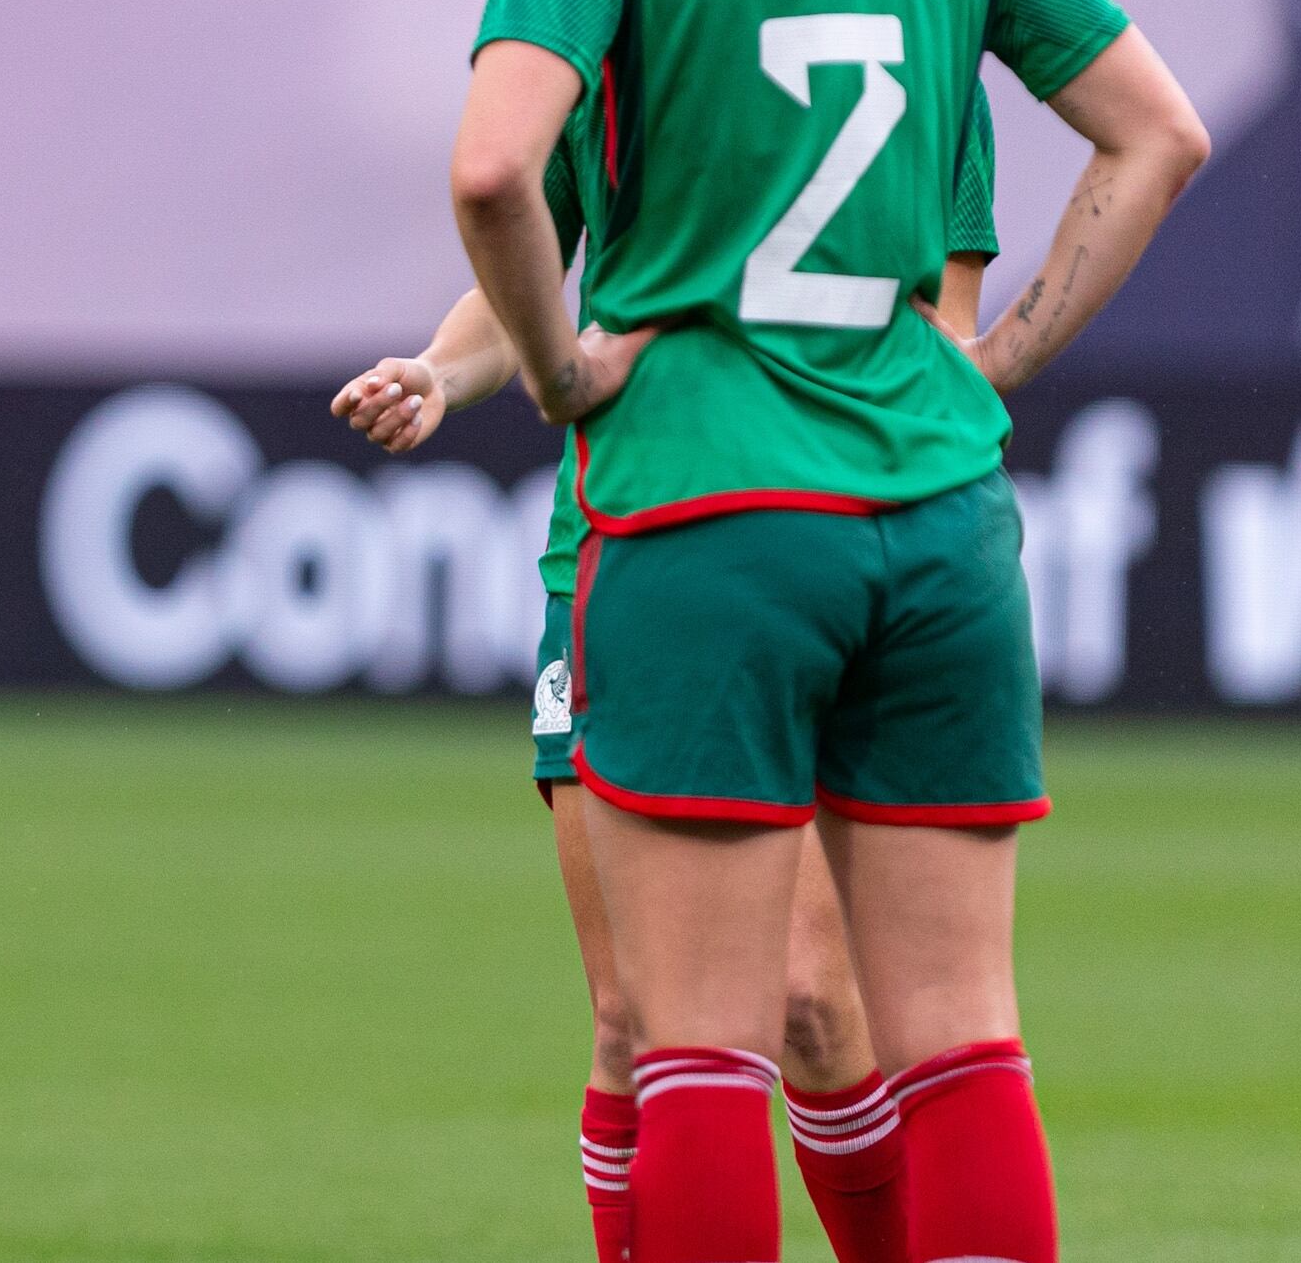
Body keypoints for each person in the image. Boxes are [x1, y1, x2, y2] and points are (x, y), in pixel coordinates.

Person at [446, 0, 1208, 1262]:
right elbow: (1158, 134)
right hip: (938, 510)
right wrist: (997, 360)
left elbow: (496, 171)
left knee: (699, 1046)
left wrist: (559, 368)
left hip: (715, 500)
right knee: (962, 1038)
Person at [339, 86, 998, 1263]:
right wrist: (441, 371)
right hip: (621, 555)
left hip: (817, 553)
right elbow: (519, 277)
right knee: (630, 1020)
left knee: (808, 1003)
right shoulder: (619, 25)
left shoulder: (919, 9)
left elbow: (950, 335)